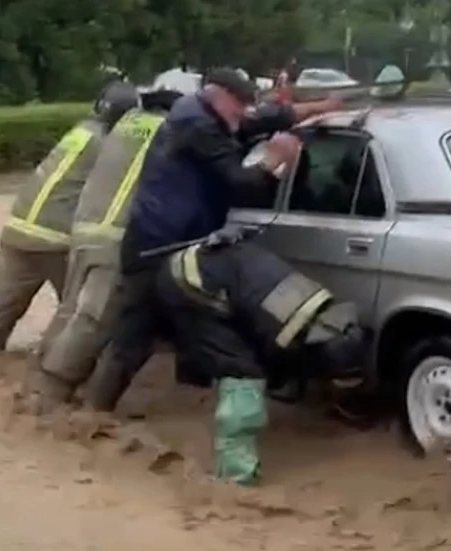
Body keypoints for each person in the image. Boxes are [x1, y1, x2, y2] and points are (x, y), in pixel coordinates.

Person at [85, 67, 347, 414]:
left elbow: (259, 119)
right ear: (216, 94)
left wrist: (317, 107)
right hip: (157, 246)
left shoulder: (211, 115)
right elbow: (240, 183)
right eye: (239, 103)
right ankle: (90, 413)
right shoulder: (198, 125)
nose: (245, 110)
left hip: (184, 246)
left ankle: (184, 397)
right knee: (136, 332)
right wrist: (274, 160)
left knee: (186, 327)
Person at [156, 225, 369, 483]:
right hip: (189, 282)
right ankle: (236, 477)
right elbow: (271, 361)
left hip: (222, 275)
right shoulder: (282, 324)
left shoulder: (318, 307)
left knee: (251, 363)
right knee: (243, 374)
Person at [28, 88, 182, 411]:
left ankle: (36, 378)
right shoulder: (164, 131)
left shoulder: (124, 125)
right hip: (115, 236)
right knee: (96, 317)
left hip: (84, 230)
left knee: (70, 309)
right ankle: (51, 393)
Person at [0, 81, 140, 353]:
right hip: (58, 240)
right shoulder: (109, 144)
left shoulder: (80, 132)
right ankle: (49, 367)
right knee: (80, 314)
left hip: (18, 231)